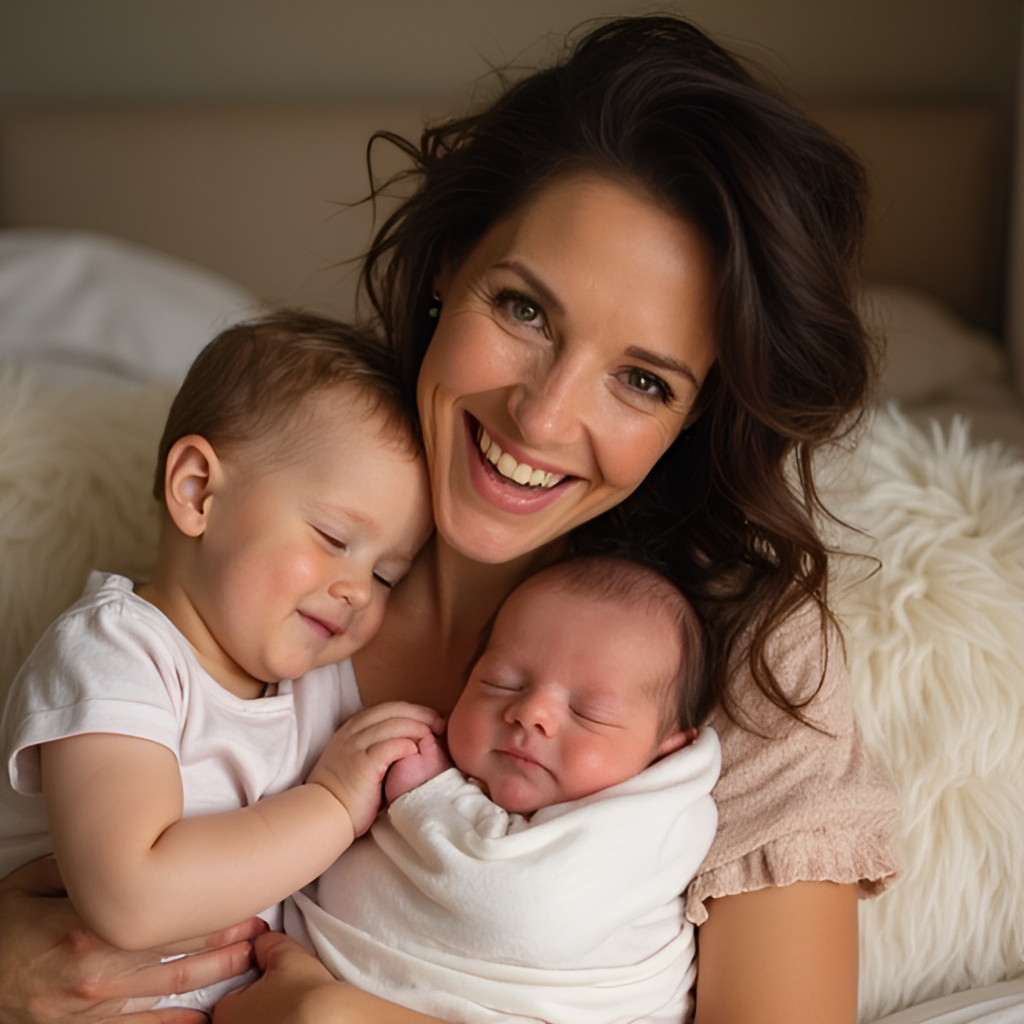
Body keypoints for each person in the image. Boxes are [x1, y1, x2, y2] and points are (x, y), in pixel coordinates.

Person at [0, 16, 900, 1024]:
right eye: (524, 310)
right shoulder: (270, 538)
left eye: (642, 379)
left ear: (697, 413)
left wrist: (346, 1020)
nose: (545, 418)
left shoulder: (747, 657)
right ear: (446, 269)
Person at [0, 313, 436, 1012]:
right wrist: (330, 807)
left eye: (387, 575)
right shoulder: (117, 651)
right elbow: (131, 896)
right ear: (198, 490)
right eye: (333, 536)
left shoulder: (306, 690)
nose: (359, 589)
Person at [291, 555, 720, 1024]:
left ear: (666, 752)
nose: (531, 712)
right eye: (501, 683)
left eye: (589, 712)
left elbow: (525, 908)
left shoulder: (654, 821)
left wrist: (431, 794)